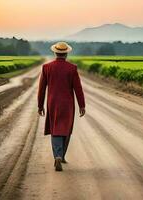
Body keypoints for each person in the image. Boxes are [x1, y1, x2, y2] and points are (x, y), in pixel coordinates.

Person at [37, 41, 86, 171]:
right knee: (66, 129)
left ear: (55, 52)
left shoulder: (47, 67)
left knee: (55, 129)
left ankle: (57, 156)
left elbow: (42, 89)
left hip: (53, 103)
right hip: (68, 104)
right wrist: (82, 105)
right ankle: (62, 155)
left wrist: (40, 105)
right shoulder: (72, 68)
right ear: (66, 54)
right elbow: (78, 88)